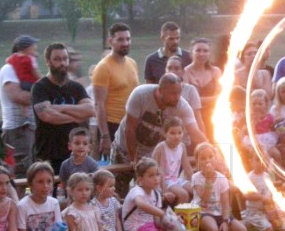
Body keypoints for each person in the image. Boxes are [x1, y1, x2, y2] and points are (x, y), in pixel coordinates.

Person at [115, 73, 207, 165]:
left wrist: (211, 149)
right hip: (124, 148)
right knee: (117, 178)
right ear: (160, 91)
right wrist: (133, 160)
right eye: (172, 93)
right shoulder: (140, 94)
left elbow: (195, 133)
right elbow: (130, 128)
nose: (177, 97)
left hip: (151, 154)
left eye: (179, 92)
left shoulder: (182, 106)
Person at [32, 42, 95, 174]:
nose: (62, 63)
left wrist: (59, 108)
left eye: (65, 59)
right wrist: (77, 116)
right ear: (48, 61)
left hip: (76, 155)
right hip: (49, 155)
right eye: (57, 59)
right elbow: (46, 115)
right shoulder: (40, 87)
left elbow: (90, 110)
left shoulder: (76, 87)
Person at [192, 142, 247, 231]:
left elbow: (225, 203)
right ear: (198, 161)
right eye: (203, 158)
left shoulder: (222, 178)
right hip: (202, 212)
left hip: (220, 213)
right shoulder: (196, 177)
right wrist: (209, 181)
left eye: (210, 156)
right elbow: (204, 201)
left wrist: (226, 221)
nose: (208, 160)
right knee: (213, 229)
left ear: (216, 158)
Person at [91, 23, 140, 158]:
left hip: (132, 123)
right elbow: (99, 104)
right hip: (112, 125)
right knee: (112, 173)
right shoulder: (103, 67)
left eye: (128, 39)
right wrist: (105, 136)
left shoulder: (132, 63)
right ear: (110, 41)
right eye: (120, 39)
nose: (125, 43)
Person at [242, 149, 285, 231]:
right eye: (257, 159)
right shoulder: (250, 177)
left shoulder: (267, 175)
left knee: (283, 224)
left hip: (269, 210)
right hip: (254, 212)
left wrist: (275, 205)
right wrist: (262, 198)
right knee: (268, 228)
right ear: (251, 161)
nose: (261, 162)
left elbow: (271, 192)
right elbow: (247, 195)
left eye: (264, 159)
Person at [0, 40, 37, 178]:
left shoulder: (28, 70)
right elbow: (19, 96)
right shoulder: (9, 69)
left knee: (32, 170)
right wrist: (41, 95)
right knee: (21, 172)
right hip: (17, 129)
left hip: (30, 128)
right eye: (33, 50)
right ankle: (19, 198)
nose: (35, 54)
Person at [183, 38, 222, 142]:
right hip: (193, 118)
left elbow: (221, 98)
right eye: (198, 50)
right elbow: (186, 100)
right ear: (191, 53)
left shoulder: (215, 71)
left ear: (209, 54)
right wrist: (211, 100)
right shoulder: (185, 72)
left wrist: (197, 100)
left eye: (205, 51)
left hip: (214, 116)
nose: (202, 54)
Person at [152, 117, 193, 205]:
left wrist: (195, 182)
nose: (177, 136)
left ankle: (195, 215)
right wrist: (165, 191)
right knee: (184, 194)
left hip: (175, 179)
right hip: (163, 181)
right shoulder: (161, 148)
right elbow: (160, 171)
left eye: (179, 133)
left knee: (196, 190)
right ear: (165, 133)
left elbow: (187, 167)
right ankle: (178, 217)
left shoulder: (182, 146)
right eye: (172, 133)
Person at [165, 55, 206, 143]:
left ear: (183, 72)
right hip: (163, 140)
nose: (172, 71)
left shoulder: (190, 90)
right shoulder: (159, 90)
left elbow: (198, 118)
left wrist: (204, 144)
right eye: (169, 68)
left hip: (184, 140)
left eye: (176, 68)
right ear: (165, 71)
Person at [241, 89, 280, 163]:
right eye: (254, 104)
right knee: (261, 155)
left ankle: (277, 172)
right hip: (254, 140)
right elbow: (248, 131)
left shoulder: (269, 116)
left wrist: (277, 123)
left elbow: (273, 127)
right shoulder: (249, 117)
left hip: (266, 140)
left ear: (266, 104)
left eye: (260, 104)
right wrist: (254, 122)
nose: (257, 106)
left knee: (276, 154)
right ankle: (259, 171)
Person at [58, 127, 99, 193]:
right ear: (70, 146)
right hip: (71, 198)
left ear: (89, 147)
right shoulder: (65, 165)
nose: (81, 146)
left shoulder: (92, 164)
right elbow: (64, 185)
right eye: (77, 143)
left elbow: (95, 184)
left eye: (85, 144)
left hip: (88, 198)